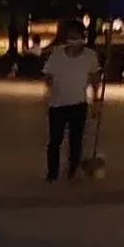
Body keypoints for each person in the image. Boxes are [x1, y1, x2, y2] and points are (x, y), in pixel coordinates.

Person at [41, 22, 98, 180]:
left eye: (76, 36)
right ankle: (52, 172)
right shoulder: (57, 54)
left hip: (78, 103)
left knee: (76, 139)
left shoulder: (89, 56)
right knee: (55, 140)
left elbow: (94, 79)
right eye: (70, 36)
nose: (73, 40)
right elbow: (48, 75)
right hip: (57, 103)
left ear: (82, 37)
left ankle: (73, 169)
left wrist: (96, 101)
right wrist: (51, 87)